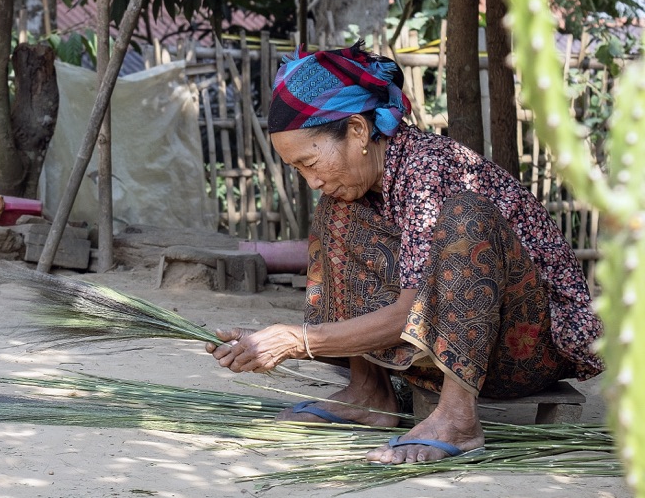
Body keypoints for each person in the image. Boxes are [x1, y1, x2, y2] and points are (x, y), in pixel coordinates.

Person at [207, 41, 603, 463]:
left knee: (467, 216)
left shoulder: (428, 170)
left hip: (526, 352)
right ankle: (369, 392)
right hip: (455, 346)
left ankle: (458, 418)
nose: (311, 180)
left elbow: (411, 313)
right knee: (334, 213)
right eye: (297, 169)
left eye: (309, 162)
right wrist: (276, 340)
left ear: (358, 131)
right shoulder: (370, 185)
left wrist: (297, 340)